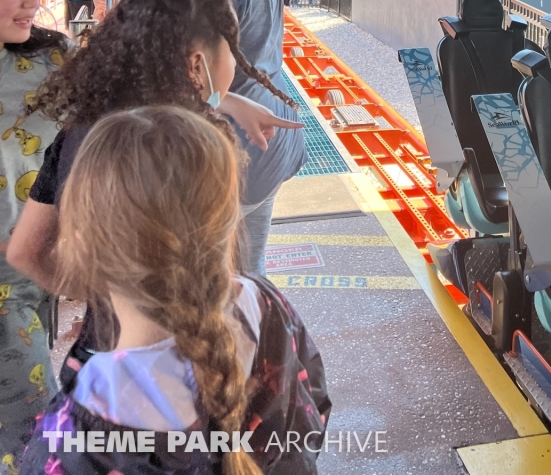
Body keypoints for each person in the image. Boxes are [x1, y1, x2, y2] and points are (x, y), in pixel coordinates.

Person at [19, 105, 331, 475]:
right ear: (228, 222)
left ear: (79, 246)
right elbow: (312, 411)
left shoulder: (75, 438)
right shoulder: (266, 304)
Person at [7, 0, 302, 340]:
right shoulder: (196, 149)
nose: (236, 65)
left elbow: (25, 253)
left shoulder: (80, 133)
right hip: (194, 353)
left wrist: (106, 302)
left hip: (104, 347)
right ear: (197, 64)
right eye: (231, 50)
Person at [151, 0, 307, 275]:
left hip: (236, 148)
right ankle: (264, 337)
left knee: (212, 285)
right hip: (268, 135)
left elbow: (195, 78)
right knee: (248, 273)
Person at [0, 0, 71, 467]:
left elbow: (133, 87)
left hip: (21, 281)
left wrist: (219, 97)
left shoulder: (50, 61)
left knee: (35, 428)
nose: (31, 3)